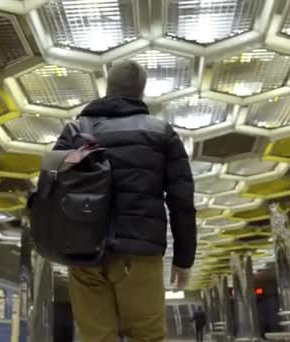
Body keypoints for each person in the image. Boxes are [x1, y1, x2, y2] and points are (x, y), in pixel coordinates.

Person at [53, 60, 197, 342]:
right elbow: (182, 201)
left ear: (107, 88)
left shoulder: (77, 129)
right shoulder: (161, 132)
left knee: (96, 338)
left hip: (85, 252)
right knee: (147, 336)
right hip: (139, 253)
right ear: (142, 92)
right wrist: (183, 259)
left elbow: (50, 184)